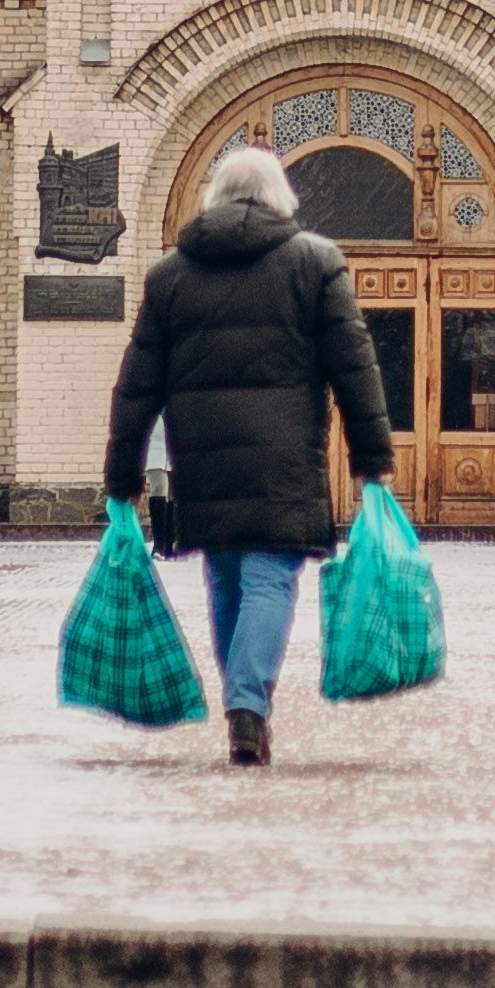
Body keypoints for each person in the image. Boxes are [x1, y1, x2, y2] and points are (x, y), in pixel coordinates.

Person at [103, 138, 394, 766]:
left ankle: (242, 701)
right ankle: (247, 704)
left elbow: (137, 384)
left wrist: (122, 474)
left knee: (226, 576)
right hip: (285, 459)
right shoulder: (315, 263)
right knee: (270, 577)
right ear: (278, 195)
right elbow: (355, 369)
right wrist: (371, 461)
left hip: (204, 460)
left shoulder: (170, 276)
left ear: (217, 196)